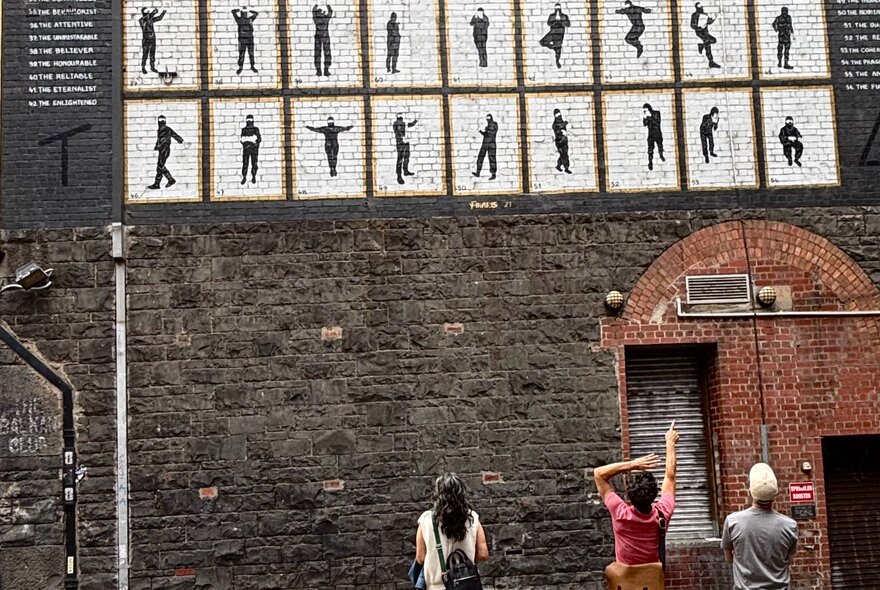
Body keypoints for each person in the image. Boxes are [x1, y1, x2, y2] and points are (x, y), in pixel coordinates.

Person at [594, 421, 679, 566]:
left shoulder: (620, 513)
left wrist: (632, 464)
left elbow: (599, 474)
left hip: (625, 583)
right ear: (654, 495)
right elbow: (670, 476)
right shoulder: (663, 513)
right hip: (651, 581)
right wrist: (670, 442)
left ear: (630, 497)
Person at [721, 463, 798, 590]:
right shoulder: (790, 526)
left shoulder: (732, 522)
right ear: (776, 493)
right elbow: (788, 560)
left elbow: (729, 558)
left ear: (750, 491)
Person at [415, 473, 489, 590]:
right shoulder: (473, 518)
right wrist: (463, 562)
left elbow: (420, 558)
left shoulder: (426, 520)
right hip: (466, 586)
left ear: (438, 495)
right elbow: (483, 554)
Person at [147, 115, 184, 190]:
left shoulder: (167, 129)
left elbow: (174, 135)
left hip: (165, 149)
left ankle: (170, 180)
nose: (161, 122)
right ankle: (158, 184)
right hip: (163, 149)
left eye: (162, 120)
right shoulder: (161, 129)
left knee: (160, 165)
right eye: (161, 120)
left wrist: (180, 140)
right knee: (160, 166)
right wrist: (156, 146)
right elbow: (160, 139)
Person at [540, 3, 571, 69]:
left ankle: (557, 61)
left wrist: (561, 22)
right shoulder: (551, 15)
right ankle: (553, 47)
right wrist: (554, 22)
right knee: (542, 42)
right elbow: (548, 23)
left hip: (560, 34)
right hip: (553, 32)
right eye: (556, 8)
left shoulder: (564, 16)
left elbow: (568, 24)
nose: (557, 9)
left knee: (558, 50)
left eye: (558, 8)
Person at [690, 3, 721, 68]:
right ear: (697, 8)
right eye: (699, 8)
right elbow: (692, 25)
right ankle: (711, 61)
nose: (701, 8)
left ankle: (701, 45)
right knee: (708, 45)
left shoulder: (705, 14)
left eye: (701, 7)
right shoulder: (694, 15)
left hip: (705, 32)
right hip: (699, 32)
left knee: (713, 40)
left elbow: (709, 22)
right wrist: (699, 27)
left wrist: (713, 18)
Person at [139, 8, 166, 75]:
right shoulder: (142, 20)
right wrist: (153, 13)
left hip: (152, 39)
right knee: (145, 54)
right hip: (146, 40)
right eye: (147, 13)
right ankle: (143, 67)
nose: (149, 14)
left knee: (152, 54)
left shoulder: (150, 20)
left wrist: (163, 13)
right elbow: (148, 17)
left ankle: (152, 67)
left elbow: (159, 18)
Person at [232, 7, 259, 75]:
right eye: (244, 13)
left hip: (248, 40)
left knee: (249, 54)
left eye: (245, 13)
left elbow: (233, 12)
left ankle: (251, 66)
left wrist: (242, 10)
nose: (244, 14)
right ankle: (242, 67)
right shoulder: (245, 20)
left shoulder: (243, 20)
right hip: (244, 40)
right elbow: (256, 13)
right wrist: (249, 10)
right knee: (243, 54)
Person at [393, 113, 417, 184]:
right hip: (401, 143)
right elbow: (398, 132)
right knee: (400, 159)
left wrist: (415, 121)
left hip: (406, 142)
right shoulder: (396, 124)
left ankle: (405, 171)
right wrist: (403, 138)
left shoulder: (404, 123)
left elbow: (410, 125)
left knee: (406, 157)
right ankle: (399, 176)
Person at [473, 114, 498, 180]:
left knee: (492, 159)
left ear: (491, 118)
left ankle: (493, 174)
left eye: (489, 118)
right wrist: (480, 131)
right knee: (480, 157)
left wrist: (486, 129)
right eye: (487, 118)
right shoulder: (488, 126)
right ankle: (478, 172)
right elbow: (486, 134)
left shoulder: (495, 124)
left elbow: (492, 132)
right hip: (485, 143)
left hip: (491, 144)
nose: (488, 120)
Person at [240, 114, 262, 185]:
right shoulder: (244, 130)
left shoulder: (256, 129)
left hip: (253, 149)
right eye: (248, 120)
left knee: (254, 163)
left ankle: (253, 176)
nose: (249, 122)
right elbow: (242, 140)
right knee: (245, 163)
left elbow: (258, 139)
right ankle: (244, 176)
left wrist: (252, 143)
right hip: (246, 149)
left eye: (250, 120)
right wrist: (251, 141)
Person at [642, 103, 665, 171]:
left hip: (657, 133)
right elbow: (644, 124)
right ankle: (650, 162)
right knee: (650, 149)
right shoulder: (646, 115)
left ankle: (661, 155)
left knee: (660, 145)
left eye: (646, 110)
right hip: (651, 134)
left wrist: (650, 116)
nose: (645, 112)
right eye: (644, 111)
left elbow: (657, 122)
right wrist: (645, 118)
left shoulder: (656, 113)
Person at [313, 3, 333, 76]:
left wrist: (316, 5)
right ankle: (326, 70)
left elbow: (313, 12)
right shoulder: (325, 19)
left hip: (318, 37)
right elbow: (330, 12)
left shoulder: (316, 19)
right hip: (325, 37)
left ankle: (319, 71)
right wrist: (328, 5)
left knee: (317, 53)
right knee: (327, 53)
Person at [552, 109, 572, 174]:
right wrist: (561, 132)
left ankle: (558, 166)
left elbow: (562, 125)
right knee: (564, 155)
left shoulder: (561, 121)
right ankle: (566, 168)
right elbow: (559, 128)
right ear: (555, 115)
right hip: (559, 142)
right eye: (557, 114)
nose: (559, 115)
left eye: (559, 114)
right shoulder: (555, 124)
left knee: (563, 154)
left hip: (564, 140)